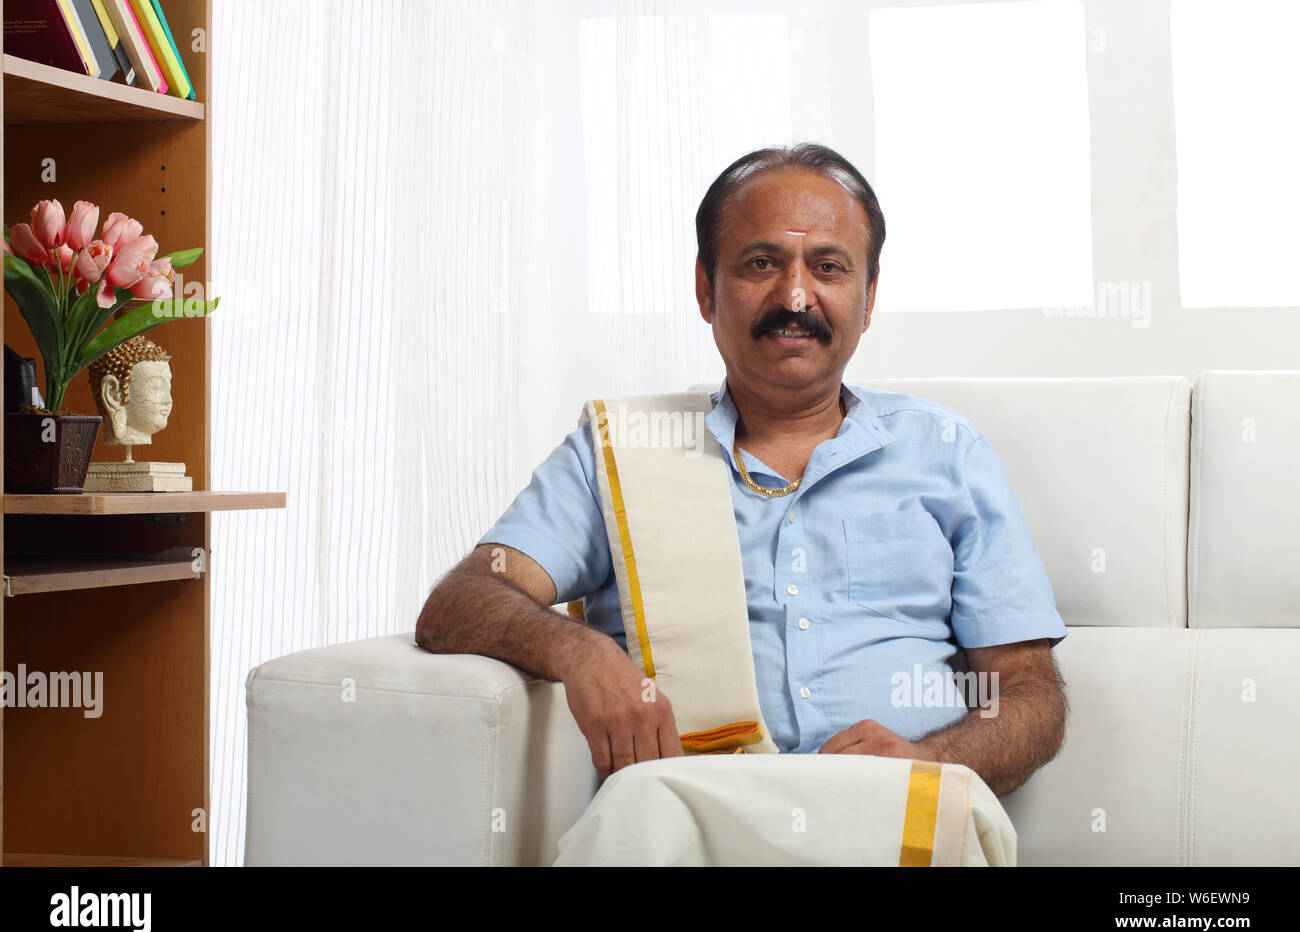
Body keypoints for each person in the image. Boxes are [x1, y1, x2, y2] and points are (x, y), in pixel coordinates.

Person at [416, 143, 1067, 799]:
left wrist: (929, 761)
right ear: (707, 288)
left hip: (894, 820)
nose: (794, 296)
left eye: (829, 268)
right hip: (685, 823)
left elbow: (1030, 696)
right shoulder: (625, 452)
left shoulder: (946, 450)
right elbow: (459, 603)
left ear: (867, 299)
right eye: (761, 263)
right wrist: (580, 652)